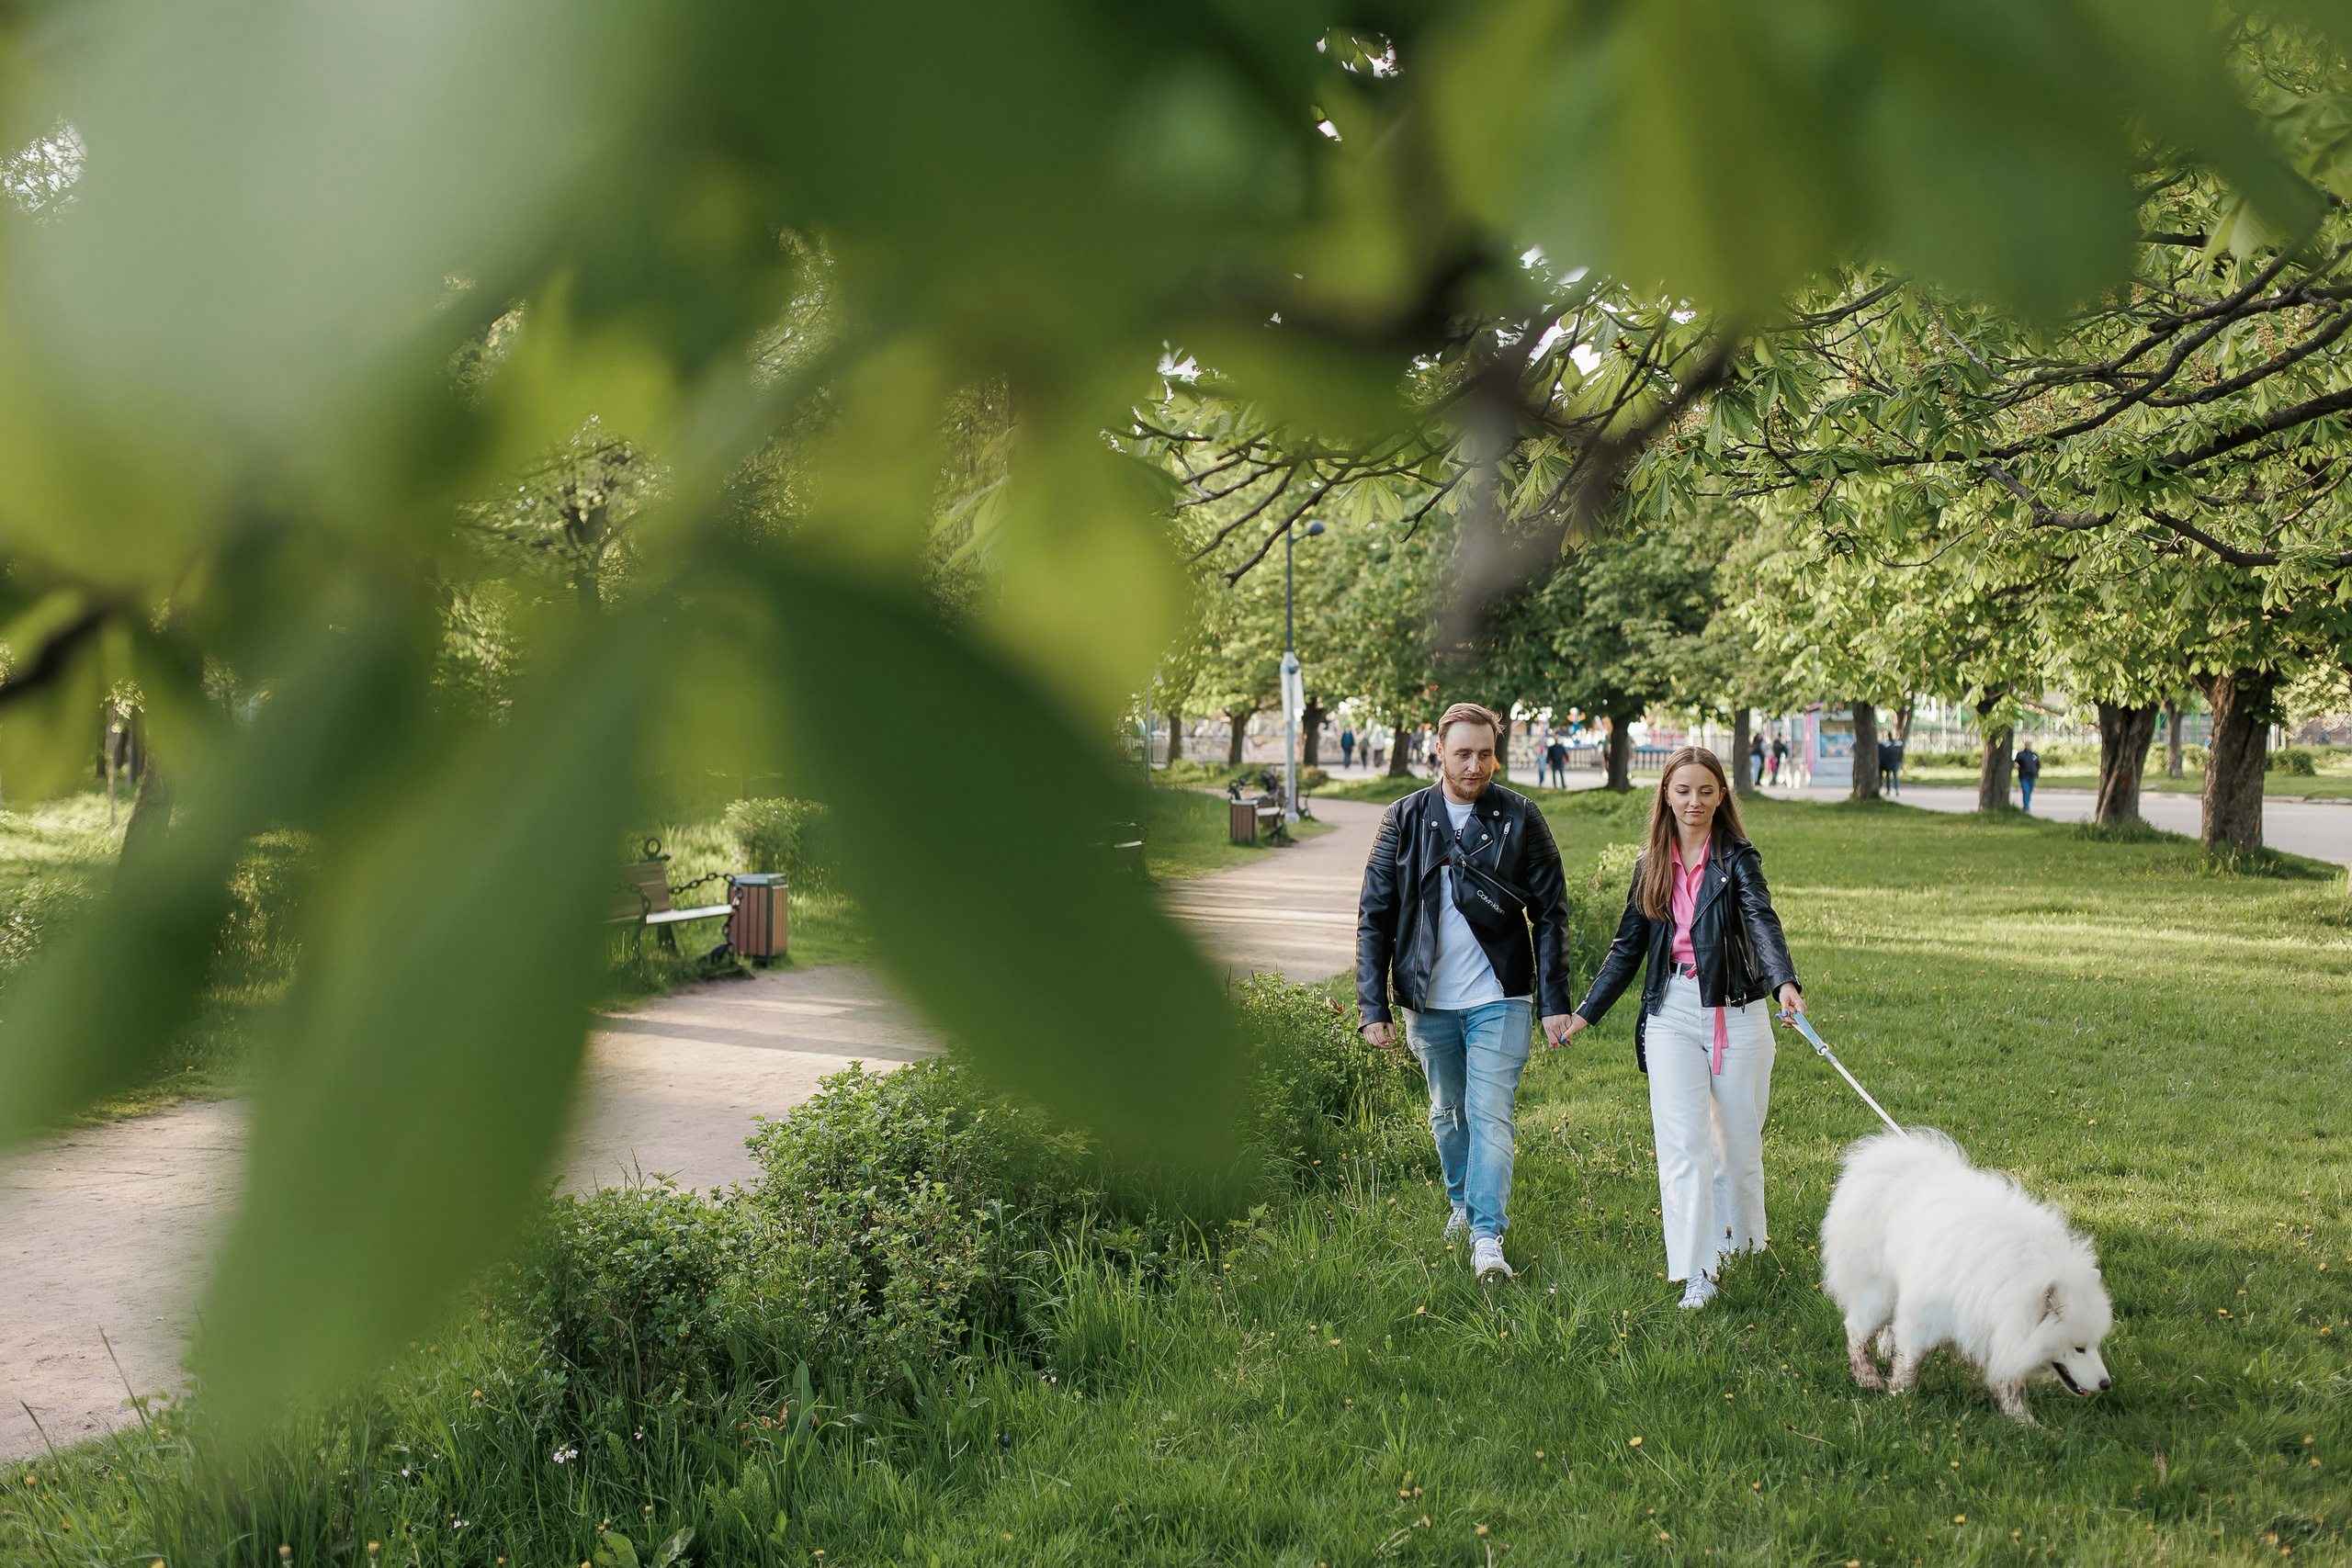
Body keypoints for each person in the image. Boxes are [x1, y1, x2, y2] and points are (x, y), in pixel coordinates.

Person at [1558, 747, 1804, 1310]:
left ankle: (1743, 1247)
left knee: (1738, 1148)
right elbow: (1625, 949)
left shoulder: (1738, 858)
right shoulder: (1650, 865)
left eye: (1706, 791)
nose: (1694, 802)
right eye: (1683, 791)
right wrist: (1585, 1013)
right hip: (1670, 1012)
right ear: (1666, 795)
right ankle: (1697, 1270)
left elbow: (1761, 920)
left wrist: (1783, 982)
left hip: (1736, 1012)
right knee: (1683, 1146)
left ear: (1721, 798)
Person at [1357, 703, 1576, 1282]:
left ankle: (1487, 1237)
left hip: (1500, 996)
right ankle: (1460, 1202)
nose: (1476, 766)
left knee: (1491, 1114)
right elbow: (1375, 915)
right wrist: (1372, 1005)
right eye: (1463, 754)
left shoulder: (1521, 817)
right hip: (1427, 1000)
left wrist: (1554, 1001)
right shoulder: (1402, 819)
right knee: (1448, 1114)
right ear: (1440, 753)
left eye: (1485, 753)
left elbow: (1552, 911)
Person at [2016, 741, 2040, 810]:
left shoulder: (2034, 755)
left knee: (2029, 791)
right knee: (2026, 791)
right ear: (2025, 745)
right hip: (2024, 776)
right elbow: (2016, 762)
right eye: (2027, 744)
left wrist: (2037, 773)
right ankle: (2026, 807)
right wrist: (2016, 764)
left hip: (2032, 776)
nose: (2028, 745)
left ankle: (2026, 805)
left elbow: (2038, 765)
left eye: (2029, 744)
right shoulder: (2021, 754)